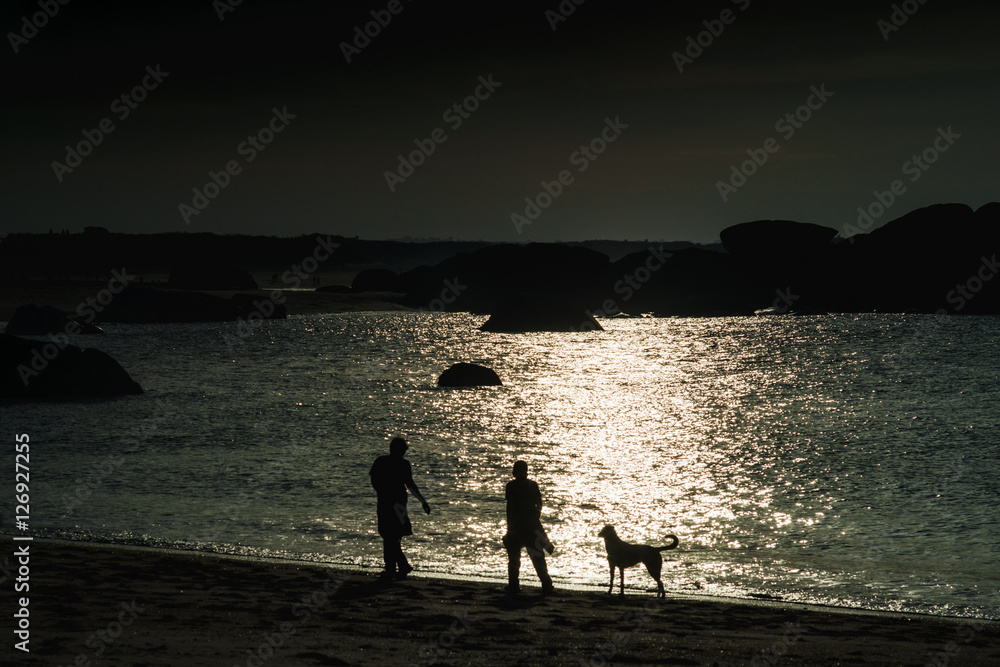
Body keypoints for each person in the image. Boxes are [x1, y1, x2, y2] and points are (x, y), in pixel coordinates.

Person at [369, 437, 430, 580]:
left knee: (391, 535)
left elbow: (375, 480)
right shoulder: (397, 463)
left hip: (392, 502)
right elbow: (409, 485)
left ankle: (395, 567)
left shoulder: (384, 461)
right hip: (395, 502)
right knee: (391, 535)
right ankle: (395, 567)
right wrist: (422, 501)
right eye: (402, 450)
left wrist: (423, 501)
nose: (403, 453)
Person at [503, 460, 554, 594]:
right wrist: (535, 518)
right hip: (531, 526)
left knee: (514, 559)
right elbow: (539, 505)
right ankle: (547, 584)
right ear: (526, 471)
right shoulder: (533, 485)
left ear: (514, 471)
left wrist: (510, 527)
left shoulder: (511, 486)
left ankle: (514, 586)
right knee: (537, 558)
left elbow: (510, 508)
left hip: (517, 525)